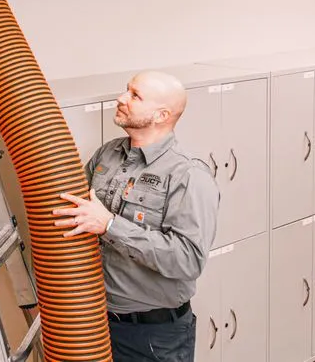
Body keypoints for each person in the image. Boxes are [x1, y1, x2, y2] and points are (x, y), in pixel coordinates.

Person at [53, 70, 219, 361]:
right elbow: (77, 219)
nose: (121, 99)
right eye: (126, 90)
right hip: (96, 324)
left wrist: (110, 226)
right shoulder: (107, 155)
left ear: (161, 115)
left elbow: (188, 259)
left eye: (135, 96)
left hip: (153, 338)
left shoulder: (188, 174)